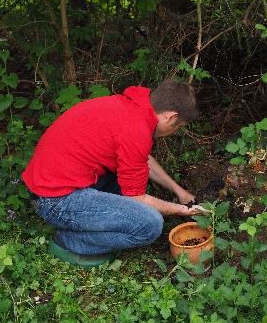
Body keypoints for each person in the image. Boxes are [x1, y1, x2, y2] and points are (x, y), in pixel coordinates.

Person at [22, 79, 208, 267]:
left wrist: (180, 192)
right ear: (170, 116)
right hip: (54, 199)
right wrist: (182, 210)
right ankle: (68, 242)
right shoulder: (136, 129)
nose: (175, 131)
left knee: (130, 185)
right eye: (178, 126)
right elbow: (137, 198)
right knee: (150, 225)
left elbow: (141, 159)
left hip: (55, 182)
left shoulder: (134, 107)